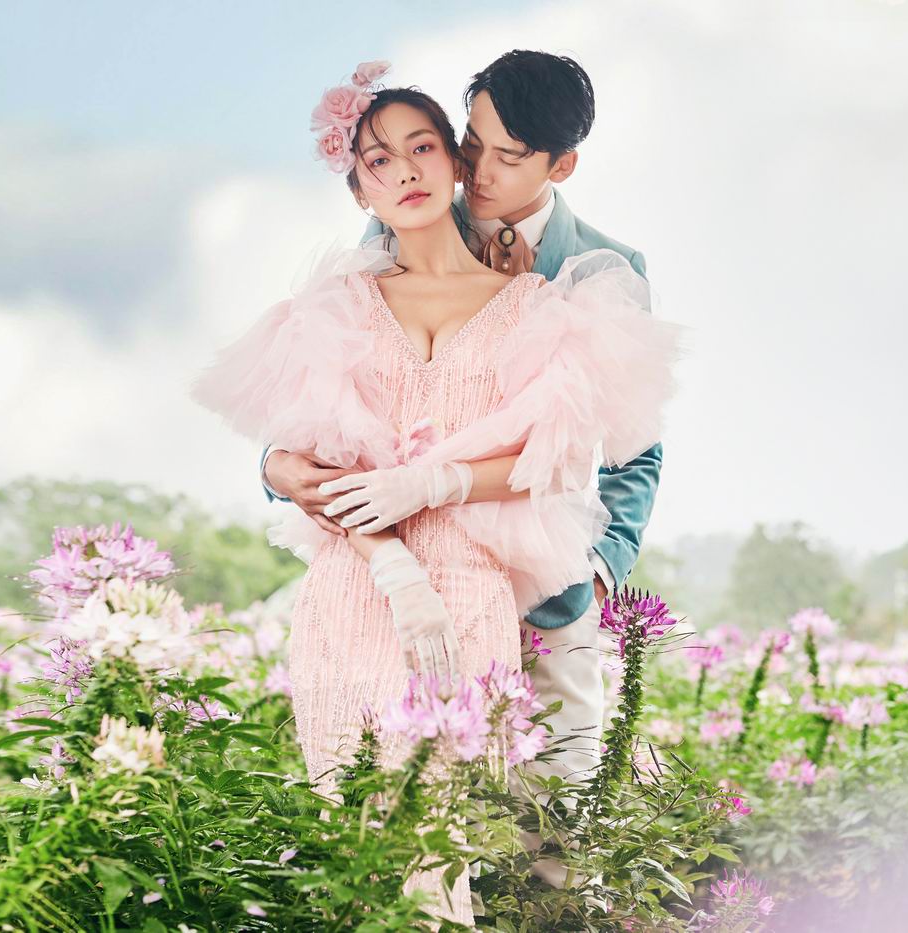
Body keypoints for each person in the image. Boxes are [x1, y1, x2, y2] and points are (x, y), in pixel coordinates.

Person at [193, 61, 678, 925]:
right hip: (376, 576)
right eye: (471, 143)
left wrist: (596, 570)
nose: (477, 170)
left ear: (559, 165)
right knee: (376, 837)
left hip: (542, 578)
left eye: (507, 156)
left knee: (551, 834)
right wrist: (278, 467)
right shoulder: (391, 235)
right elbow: (328, 408)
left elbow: (628, 447)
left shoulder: (602, 271)